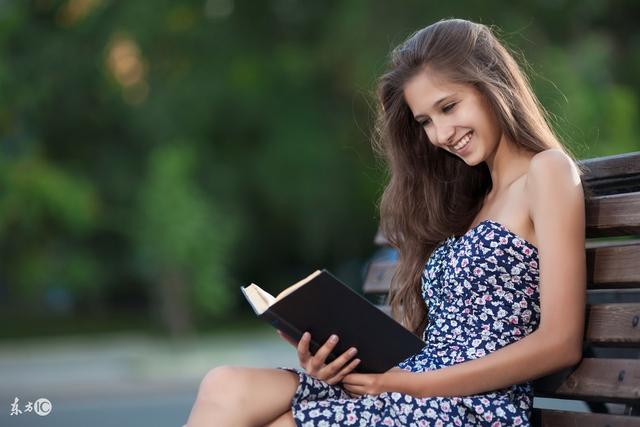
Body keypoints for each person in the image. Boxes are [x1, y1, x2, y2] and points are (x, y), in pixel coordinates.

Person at [185, 18, 587, 426]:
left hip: (469, 406)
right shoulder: (471, 200)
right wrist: (335, 358)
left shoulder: (547, 172)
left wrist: (410, 385)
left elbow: (560, 343)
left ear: (492, 86)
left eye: (448, 107)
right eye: (426, 121)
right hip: (414, 389)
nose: (441, 134)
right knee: (224, 385)